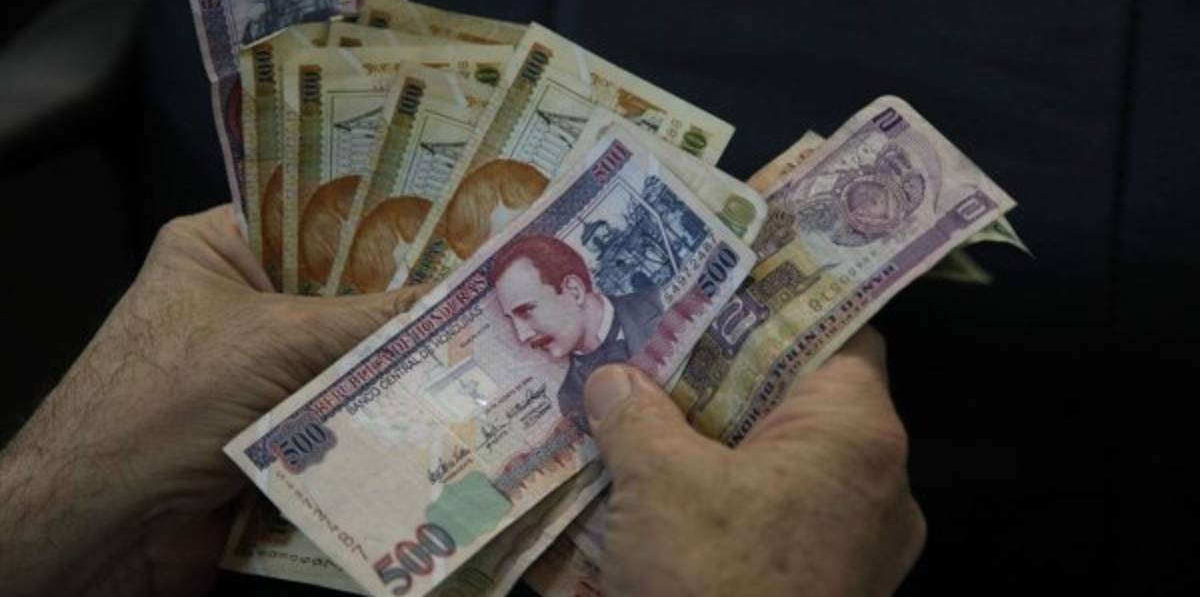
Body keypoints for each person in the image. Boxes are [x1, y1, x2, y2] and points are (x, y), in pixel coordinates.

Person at [0, 206, 924, 596]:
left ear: (576, 287)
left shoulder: (671, 308)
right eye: (502, 318)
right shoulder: (562, 377)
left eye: (526, 313)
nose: (514, 335)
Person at [490, 234, 662, 431]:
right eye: (511, 319)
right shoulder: (571, 399)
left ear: (574, 291)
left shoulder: (661, 303)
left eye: (526, 310)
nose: (523, 335)